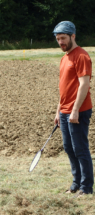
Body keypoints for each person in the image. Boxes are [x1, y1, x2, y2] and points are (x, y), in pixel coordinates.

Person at [53, 21, 94, 198]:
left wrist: (75, 110)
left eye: (63, 38)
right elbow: (64, 88)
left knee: (80, 149)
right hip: (64, 111)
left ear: (73, 36)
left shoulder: (81, 56)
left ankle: (86, 187)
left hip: (78, 110)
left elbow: (84, 84)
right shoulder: (64, 58)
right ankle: (76, 183)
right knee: (69, 148)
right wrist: (58, 111)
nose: (60, 42)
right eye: (58, 39)